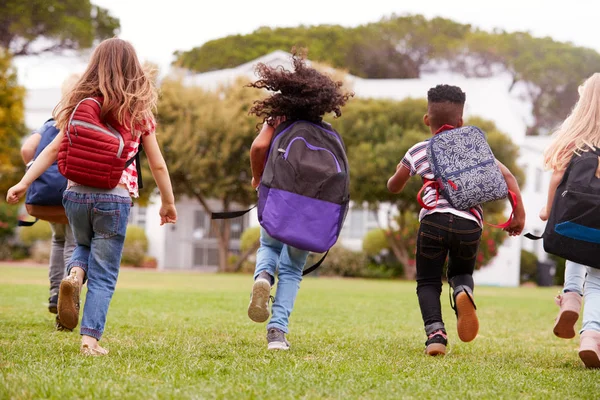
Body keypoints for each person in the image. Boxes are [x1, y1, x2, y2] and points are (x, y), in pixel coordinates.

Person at [7, 38, 177, 356]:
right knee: (106, 272)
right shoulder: (137, 111)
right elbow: (157, 164)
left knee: (82, 246)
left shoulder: (81, 105)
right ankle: (90, 341)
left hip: (73, 194)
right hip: (115, 197)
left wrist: (23, 182)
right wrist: (167, 203)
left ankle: (74, 274)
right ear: (132, 69)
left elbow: (52, 149)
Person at [387, 84, 526, 356]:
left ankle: (436, 334)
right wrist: (518, 216)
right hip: (469, 223)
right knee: (461, 272)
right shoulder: (475, 150)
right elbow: (508, 177)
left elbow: (395, 185)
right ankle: (463, 290)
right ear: (461, 121)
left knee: (428, 281)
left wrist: (398, 174)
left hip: (434, 221)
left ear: (427, 119)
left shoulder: (419, 150)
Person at [246, 50, 352, 350]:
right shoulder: (327, 133)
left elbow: (259, 147)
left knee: (268, 245)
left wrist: (258, 179)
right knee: (292, 268)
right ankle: (277, 333)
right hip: (313, 209)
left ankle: (264, 276)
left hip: (279, 196)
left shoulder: (279, 120)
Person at [541, 73, 600, 367]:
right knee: (599, 282)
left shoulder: (576, 140)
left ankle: (571, 296)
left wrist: (547, 209)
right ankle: (591, 336)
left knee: (575, 239)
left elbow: (555, 177)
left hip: (575, 225)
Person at [20, 75, 80, 315]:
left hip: (46, 196)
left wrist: (34, 169)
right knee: (73, 243)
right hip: (71, 192)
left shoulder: (48, 123)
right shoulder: (80, 122)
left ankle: (55, 292)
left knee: (58, 240)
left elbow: (26, 148)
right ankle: (68, 293)